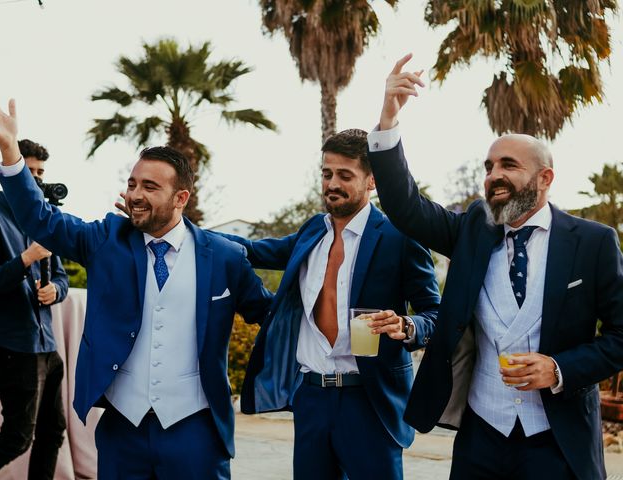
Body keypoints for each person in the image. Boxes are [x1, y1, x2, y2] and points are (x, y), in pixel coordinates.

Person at [0, 90, 272, 480]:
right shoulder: (107, 240)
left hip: (197, 431)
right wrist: (10, 152)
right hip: (123, 430)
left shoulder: (224, 257)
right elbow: (41, 220)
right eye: (133, 183)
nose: (135, 195)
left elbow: (272, 317)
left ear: (181, 197)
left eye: (150, 187)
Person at [366, 54, 623, 480]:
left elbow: (618, 337)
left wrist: (559, 369)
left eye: (508, 165)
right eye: (489, 167)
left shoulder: (592, 242)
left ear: (545, 178)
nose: (493, 175)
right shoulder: (473, 228)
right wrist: (388, 117)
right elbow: (405, 208)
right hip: (481, 434)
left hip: (557, 437)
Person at [220, 128, 440, 480]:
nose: (332, 184)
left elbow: (436, 313)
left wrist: (407, 325)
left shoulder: (399, 237)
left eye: (344, 175)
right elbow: (252, 249)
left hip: (370, 401)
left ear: (372, 181)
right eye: (327, 174)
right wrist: (181, 227)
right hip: (312, 398)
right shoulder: (312, 232)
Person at [0, 138, 69, 479]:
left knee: (53, 432)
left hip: (48, 344)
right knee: (17, 438)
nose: (35, 179)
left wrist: (55, 291)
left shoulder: (45, 218)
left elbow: (61, 276)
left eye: (40, 172)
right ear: (9, 172)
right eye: (28, 171)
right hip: (13, 345)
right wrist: (25, 259)